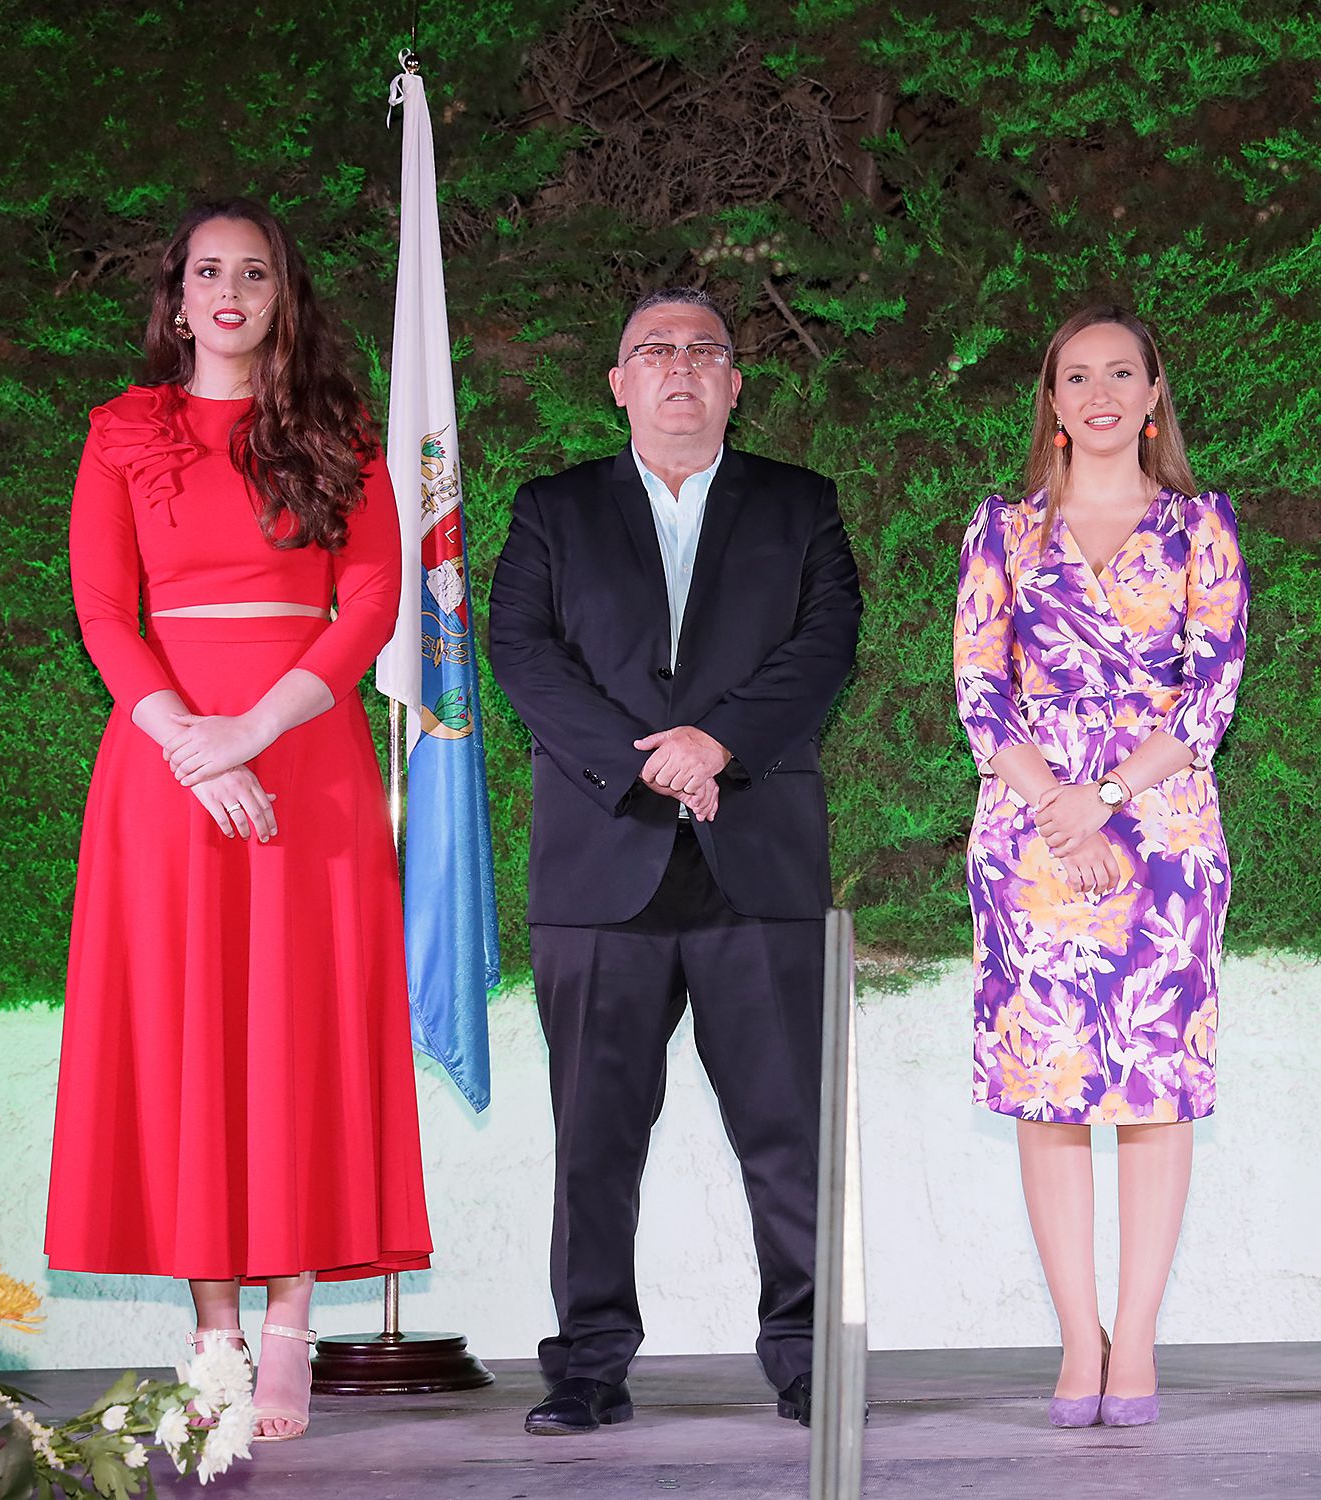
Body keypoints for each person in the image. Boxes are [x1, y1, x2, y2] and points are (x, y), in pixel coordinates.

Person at [45, 199, 433, 1441]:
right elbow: (105, 611)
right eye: (205, 270)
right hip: (162, 764)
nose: (226, 290)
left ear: (282, 295)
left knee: (298, 1031)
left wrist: (250, 734)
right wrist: (188, 742)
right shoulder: (121, 430)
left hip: (300, 755)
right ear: (173, 296)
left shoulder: (338, 430)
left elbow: (372, 598)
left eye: (251, 272)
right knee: (189, 1036)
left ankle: (286, 1328)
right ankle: (210, 1327)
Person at [488, 287, 862, 1435]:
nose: (680, 367)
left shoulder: (800, 506)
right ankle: (588, 1369)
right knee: (594, 1140)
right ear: (618, 382)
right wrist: (647, 761)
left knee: (786, 1132)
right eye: (653, 349)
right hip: (602, 872)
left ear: (736, 383)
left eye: (704, 350)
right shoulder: (552, 510)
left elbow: (825, 643)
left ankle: (806, 1359)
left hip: (758, 865)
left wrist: (718, 744)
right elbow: (521, 652)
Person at [954, 305, 1249, 1428]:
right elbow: (979, 687)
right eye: (1075, 375)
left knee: (1153, 1089)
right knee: (1047, 1087)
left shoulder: (1200, 527)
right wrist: (1053, 808)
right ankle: (1079, 1338)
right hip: (1026, 828)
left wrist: (1108, 801)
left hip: (1160, 822)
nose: (1100, 392)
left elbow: (1210, 691)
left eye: (1121, 371)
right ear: (1053, 402)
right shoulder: (1001, 528)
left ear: (1154, 392)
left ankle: (1140, 1339)